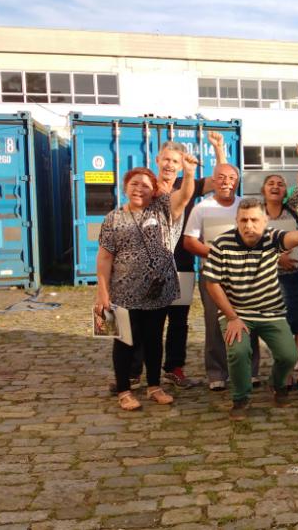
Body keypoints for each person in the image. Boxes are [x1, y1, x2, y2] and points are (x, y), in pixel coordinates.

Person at [202, 198, 298, 420]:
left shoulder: (272, 237)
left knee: (289, 355)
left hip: (271, 311)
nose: (249, 225)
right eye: (243, 220)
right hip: (236, 314)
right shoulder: (222, 244)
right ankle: (241, 399)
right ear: (236, 220)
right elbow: (212, 282)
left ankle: (277, 384)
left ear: (265, 220)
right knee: (238, 352)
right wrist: (232, 317)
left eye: (255, 220)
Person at [94, 160, 197, 410]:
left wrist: (189, 173)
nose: (139, 189)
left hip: (158, 292)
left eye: (145, 185)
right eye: (134, 184)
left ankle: (154, 386)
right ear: (125, 188)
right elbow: (105, 258)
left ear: (155, 190)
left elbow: (183, 197)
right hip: (123, 293)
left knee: (153, 340)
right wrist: (102, 293)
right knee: (125, 342)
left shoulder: (161, 209)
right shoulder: (113, 219)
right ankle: (124, 391)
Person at [157, 132, 227, 389]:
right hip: (149, 267)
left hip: (182, 264)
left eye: (175, 161)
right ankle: (132, 372)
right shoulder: (145, 185)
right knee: (144, 320)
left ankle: (174, 368)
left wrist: (218, 148)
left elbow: (221, 178)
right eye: (166, 159)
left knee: (178, 321)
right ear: (157, 159)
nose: (169, 165)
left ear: (180, 164)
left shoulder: (190, 186)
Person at [183, 164, 260, 391]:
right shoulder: (202, 208)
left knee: (248, 321)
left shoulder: (247, 206)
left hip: (244, 273)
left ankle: (250, 370)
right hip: (213, 273)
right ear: (213, 181)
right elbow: (189, 241)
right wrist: (217, 253)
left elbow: (260, 234)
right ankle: (217, 372)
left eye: (232, 178)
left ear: (237, 181)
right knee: (214, 323)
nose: (227, 182)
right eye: (222, 178)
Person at [260, 171, 298, 390]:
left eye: (280, 184)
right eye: (270, 183)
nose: (275, 186)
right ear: (263, 190)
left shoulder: (293, 208)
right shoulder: (255, 214)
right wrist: (276, 257)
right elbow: (248, 242)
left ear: (285, 191)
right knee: (280, 328)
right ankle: (284, 374)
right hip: (270, 279)